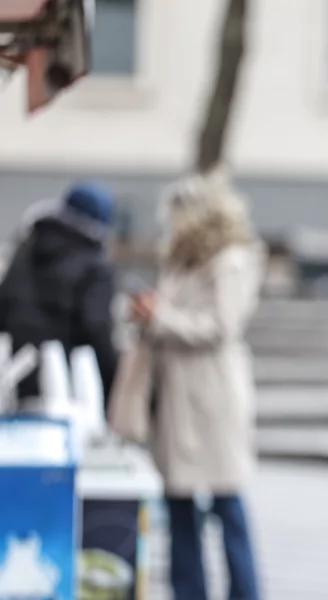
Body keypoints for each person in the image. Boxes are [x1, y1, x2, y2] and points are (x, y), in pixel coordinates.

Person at [131, 171, 264, 600]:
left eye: (176, 216)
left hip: (212, 396)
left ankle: (245, 592)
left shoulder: (232, 261)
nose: (170, 225)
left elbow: (222, 325)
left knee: (226, 499)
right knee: (178, 501)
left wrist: (160, 317)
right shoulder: (180, 258)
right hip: (175, 397)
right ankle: (189, 592)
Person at [0, 182, 119, 410]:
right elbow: (96, 329)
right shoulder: (94, 264)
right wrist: (112, 382)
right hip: (71, 385)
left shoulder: (26, 249)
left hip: (16, 376)